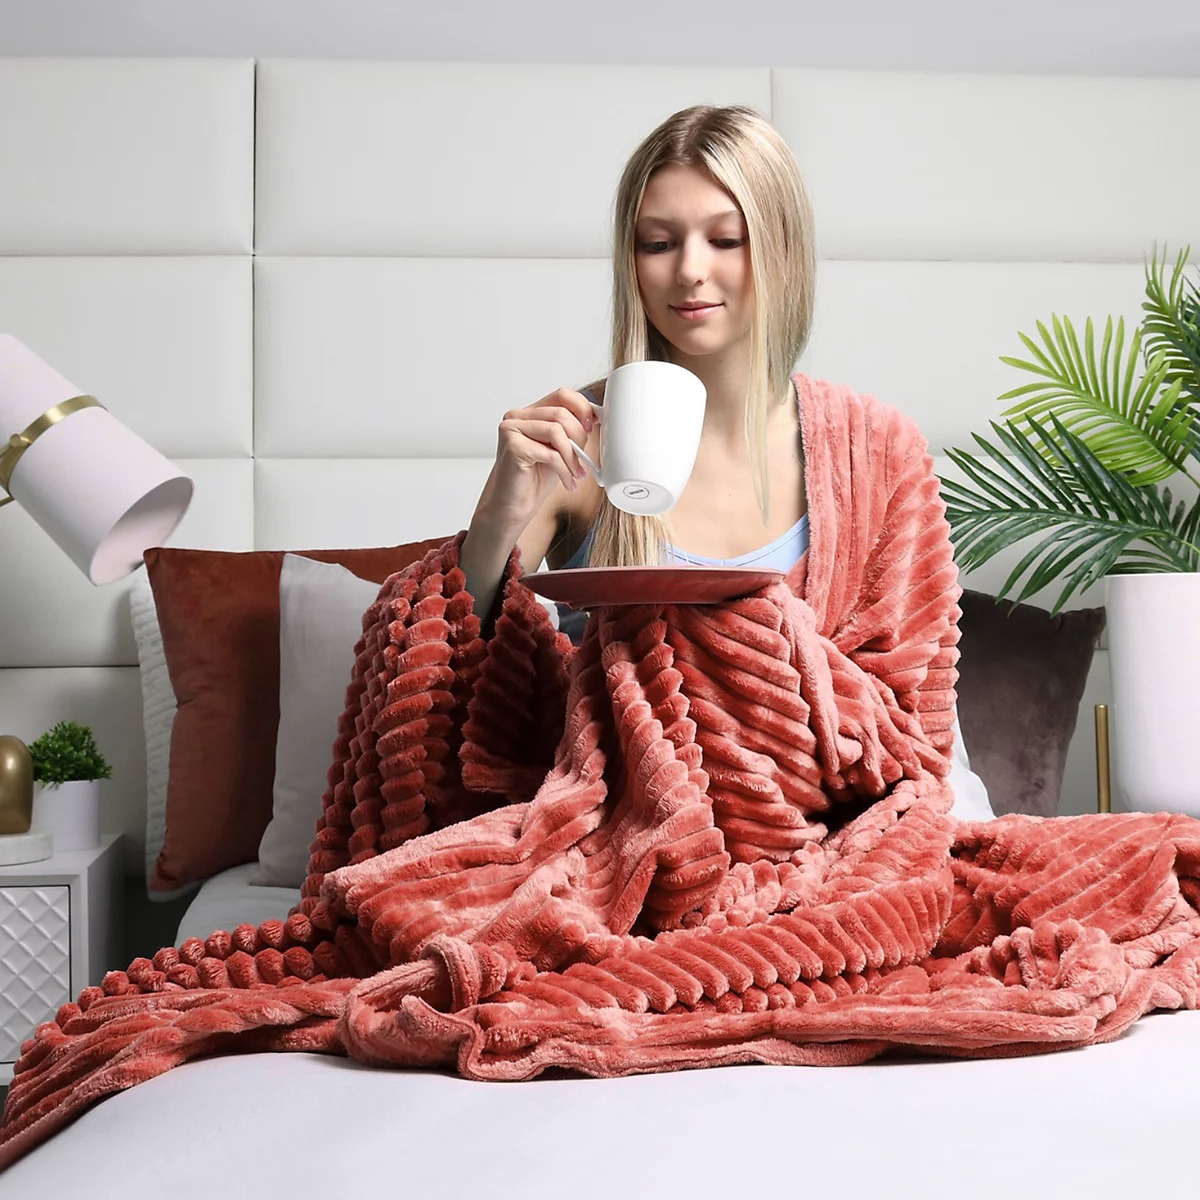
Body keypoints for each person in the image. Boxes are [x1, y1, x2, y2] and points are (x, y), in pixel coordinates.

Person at [460, 102, 993, 819]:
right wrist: (499, 509)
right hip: (630, 825)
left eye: (726, 239)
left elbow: (914, 711)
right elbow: (458, 675)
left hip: (844, 822)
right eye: (658, 243)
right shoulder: (576, 438)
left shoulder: (880, 448)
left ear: (782, 251)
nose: (690, 272)